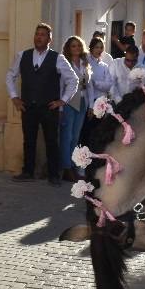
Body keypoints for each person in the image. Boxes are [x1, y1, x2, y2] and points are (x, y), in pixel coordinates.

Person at [6, 22, 78, 185]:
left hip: (49, 106)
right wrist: (14, 97)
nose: (39, 37)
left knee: (52, 141)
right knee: (28, 140)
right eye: (37, 34)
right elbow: (10, 76)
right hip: (28, 106)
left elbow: (73, 80)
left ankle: (54, 175)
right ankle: (28, 171)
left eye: (43, 35)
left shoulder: (58, 58)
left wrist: (63, 101)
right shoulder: (22, 55)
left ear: (49, 39)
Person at [59, 36, 90, 182]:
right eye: (73, 46)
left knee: (76, 137)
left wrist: (91, 105)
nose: (76, 48)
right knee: (67, 136)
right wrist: (60, 107)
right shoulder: (65, 63)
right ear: (68, 48)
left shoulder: (85, 62)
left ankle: (72, 165)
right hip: (69, 102)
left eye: (78, 45)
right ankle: (65, 167)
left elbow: (88, 85)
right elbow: (61, 86)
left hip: (83, 102)